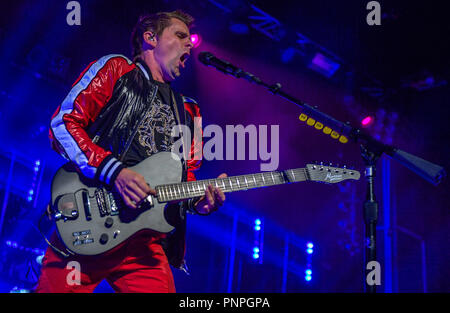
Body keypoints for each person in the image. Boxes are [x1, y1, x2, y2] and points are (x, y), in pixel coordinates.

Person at [35, 10, 226, 293]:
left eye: (190, 39)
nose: (190, 44)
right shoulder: (117, 69)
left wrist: (199, 203)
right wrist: (116, 172)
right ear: (150, 38)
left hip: (145, 246)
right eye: (180, 35)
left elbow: (184, 182)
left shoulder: (189, 111)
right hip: (88, 221)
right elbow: (63, 124)